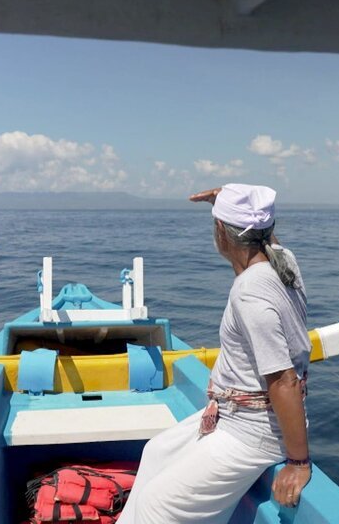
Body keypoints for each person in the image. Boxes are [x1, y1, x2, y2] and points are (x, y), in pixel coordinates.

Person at [117, 183, 311, 524]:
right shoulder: (285, 262)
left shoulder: (249, 293)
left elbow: (283, 380)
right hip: (232, 413)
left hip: (251, 432)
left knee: (155, 508)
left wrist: (297, 463)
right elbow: (266, 235)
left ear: (220, 231)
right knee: (156, 452)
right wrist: (234, 199)